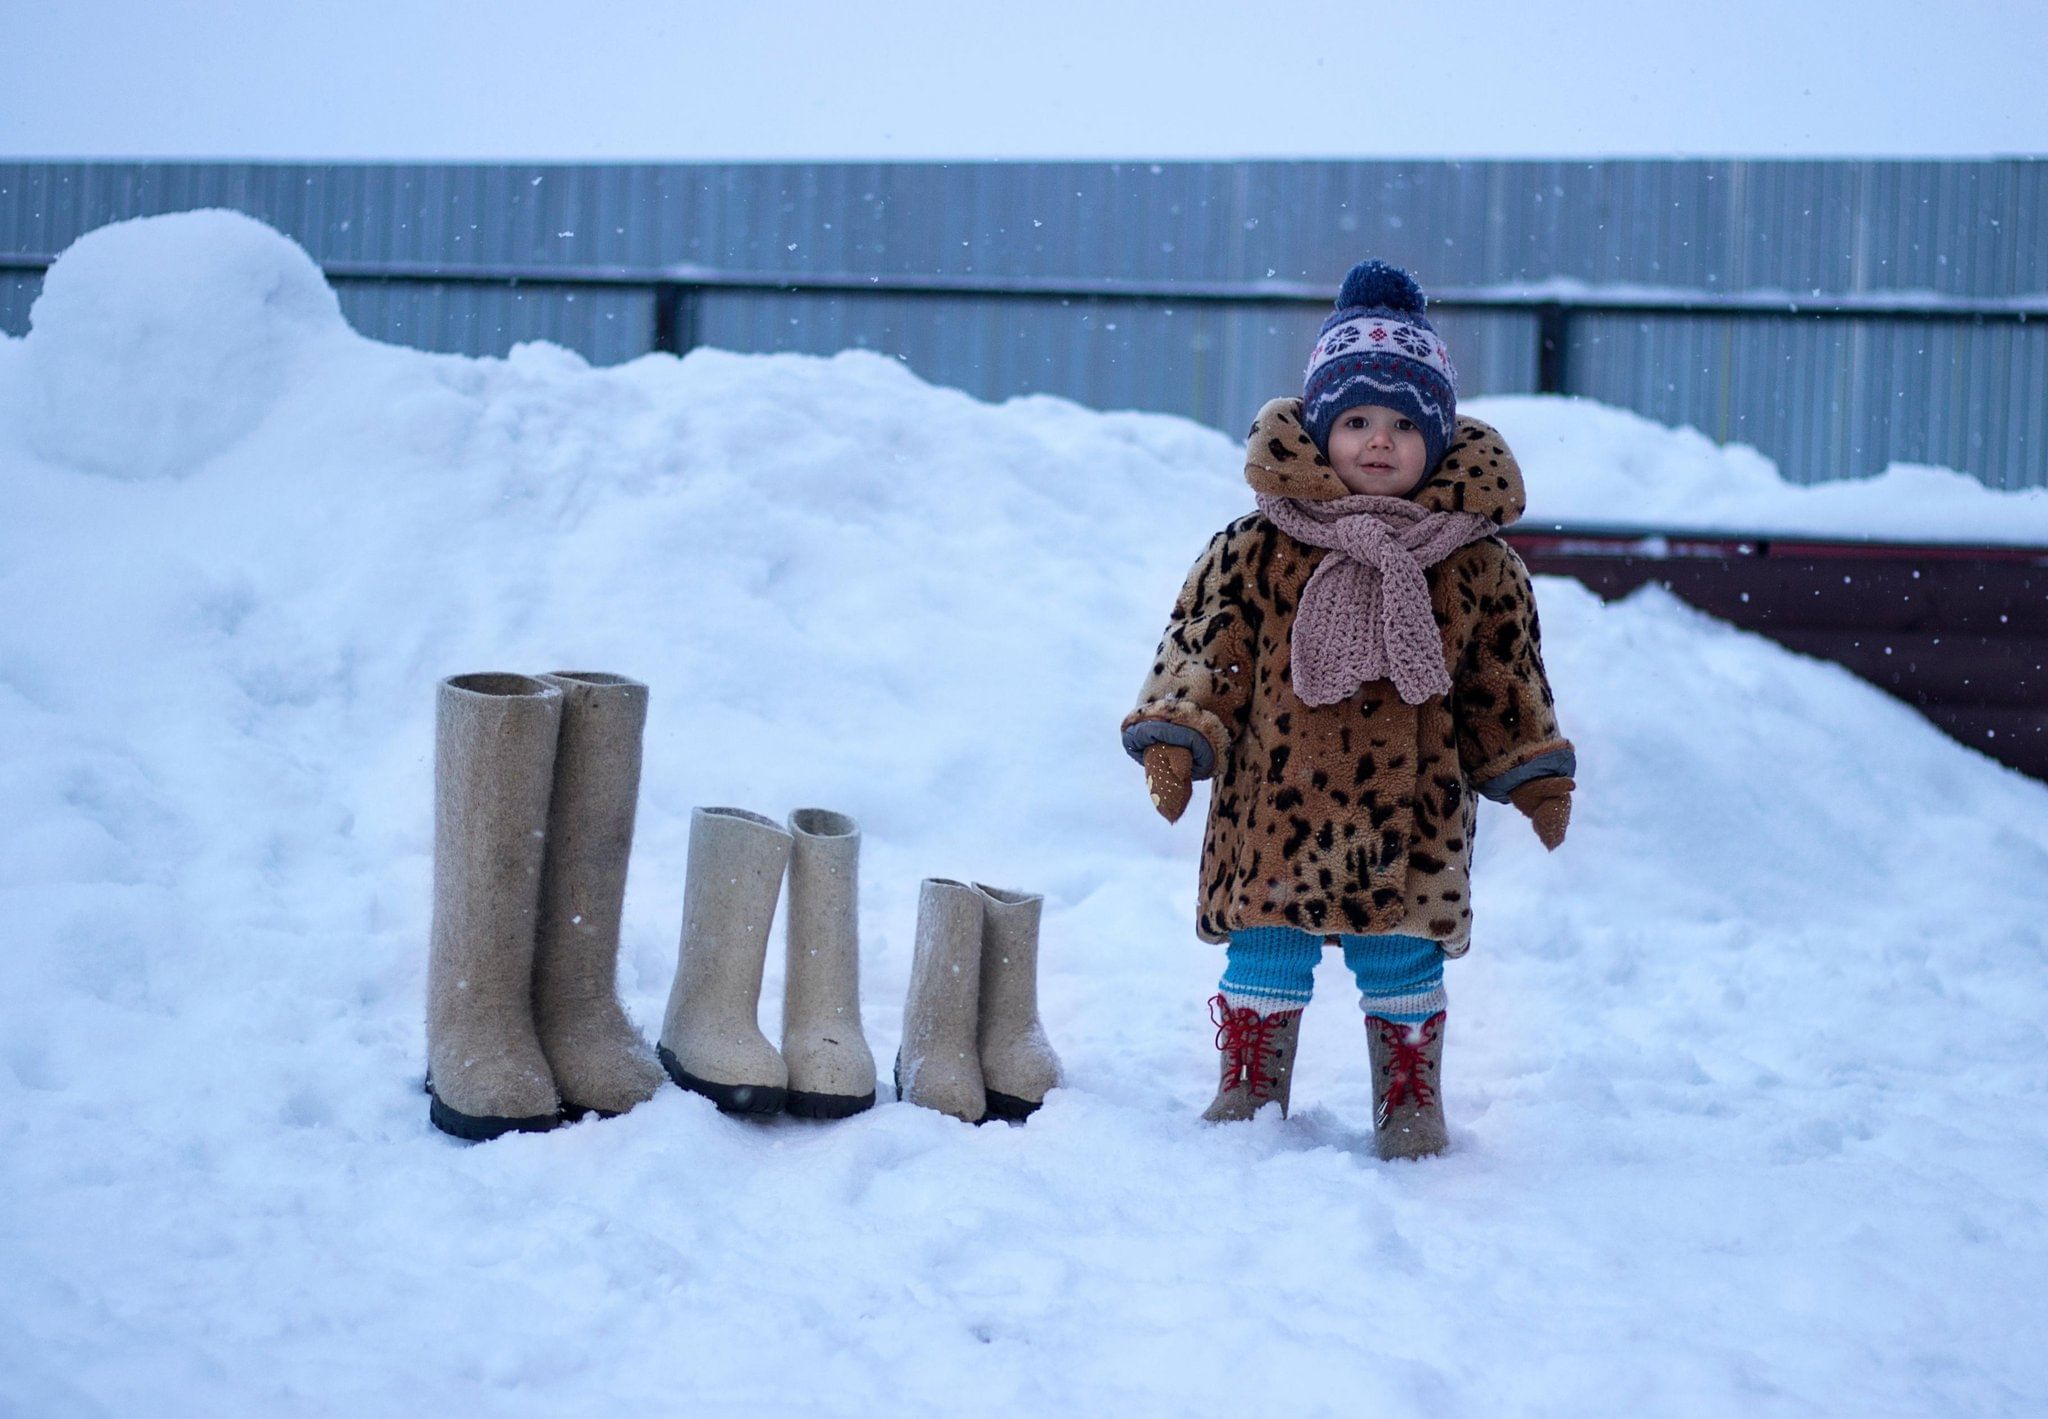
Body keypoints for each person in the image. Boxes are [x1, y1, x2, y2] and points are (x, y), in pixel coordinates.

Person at [1121, 260, 1576, 1159]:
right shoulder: (1259, 543)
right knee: (1266, 945)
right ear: (1321, 427)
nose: (1379, 440)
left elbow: (1503, 674)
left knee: (1404, 954)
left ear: (1439, 438)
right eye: (1358, 419)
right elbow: (1207, 640)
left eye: (1406, 423)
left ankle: (1409, 1092)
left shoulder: (1477, 562)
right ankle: (1251, 1079)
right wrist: (1178, 732)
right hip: (1273, 799)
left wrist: (1532, 768)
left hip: (1413, 813)